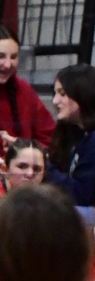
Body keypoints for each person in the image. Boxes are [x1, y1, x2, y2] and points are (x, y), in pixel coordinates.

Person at [0, 22, 54, 158]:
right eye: (0, 56)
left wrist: (23, 148)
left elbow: (49, 139)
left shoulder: (23, 90)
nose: (8, 64)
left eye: (13, 57)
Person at [45, 64, 95, 206]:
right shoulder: (72, 131)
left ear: (83, 94)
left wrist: (42, 166)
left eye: (62, 94)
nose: (55, 101)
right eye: (55, 93)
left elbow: (82, 196)